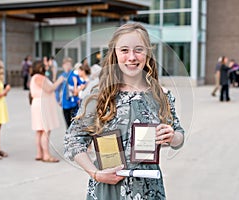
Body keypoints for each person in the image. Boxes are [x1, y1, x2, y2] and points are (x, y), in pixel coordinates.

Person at [64, 23, 185, 200]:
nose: (131, 57)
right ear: (115, 53)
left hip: (148, 190)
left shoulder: (161, 96)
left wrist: (172, 136)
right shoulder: (99, 96)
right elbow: (73, 140)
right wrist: (95, 173)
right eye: (124, 50)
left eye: (138, 50)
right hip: (107, 190)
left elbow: (179, 136)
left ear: (147, 53)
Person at [30, 60, 63, 162]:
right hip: (42, 105)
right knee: (45, 130)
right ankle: (46, 155)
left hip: (39, 104)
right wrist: (60, 80)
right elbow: (49, 89)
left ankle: (40, 154)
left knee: (40, 131)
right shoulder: (39, 77)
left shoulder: (35, 77)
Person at [55, 57, 75, 128]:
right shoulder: (61, 76)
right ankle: (69, 137)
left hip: (74, 103)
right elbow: (57, 89)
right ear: (63, 65)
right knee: (67, 123)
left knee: (73, 123)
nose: (67, 66)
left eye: (69, 64)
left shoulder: (74, 75)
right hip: (65, 102)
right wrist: (57, 99)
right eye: (66, 64)